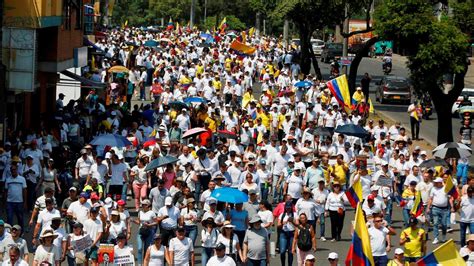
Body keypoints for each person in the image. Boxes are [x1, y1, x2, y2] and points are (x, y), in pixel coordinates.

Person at [427, 177, 452, 244]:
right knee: (435, 223)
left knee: (444, 224)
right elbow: (431, 199)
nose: (434, 183)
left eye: (436, 182)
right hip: (435, 208)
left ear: (440, 183)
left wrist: (452, 207)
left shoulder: (446, 188)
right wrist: (428, 207)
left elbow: (449, 198)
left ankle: (443, 236)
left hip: (444, 209)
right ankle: (436, 238)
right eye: (435, 182)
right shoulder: (433, 189)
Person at [134, 199, 157, 263]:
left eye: (145, 205)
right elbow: (139, 222)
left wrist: (149, 225)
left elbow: (156, 222)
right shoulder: (140, 212)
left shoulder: (152, 213)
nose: (143, 206)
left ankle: (145, 263)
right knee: (139, 248)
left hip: (149, 231)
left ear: (148, 205)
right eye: (143, 204)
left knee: (147, 249)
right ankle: (139, 263)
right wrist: (133, 220)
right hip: (141, 231)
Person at [4, 165, 27, 229]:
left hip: (19, 202)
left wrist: (25, 202)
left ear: (17, 170)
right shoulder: (8, 180)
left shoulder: (22, 179)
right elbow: (5, 191)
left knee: (20, 218)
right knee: (9, 218)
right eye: (12, 170)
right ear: (10, 171)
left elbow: (25, 191)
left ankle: (21, 231)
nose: (13, 171)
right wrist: (5, 202)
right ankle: (9, 232)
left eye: (14, 169)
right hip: (9, 202)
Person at [278, 201, 297, 266]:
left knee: (290, 252)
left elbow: (298, 225)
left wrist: (292, 221)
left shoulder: (295, 214)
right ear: (285, 207)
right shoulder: (282, 215)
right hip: (283, 234)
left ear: (291, 207)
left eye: (289, 207)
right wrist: (283, 223)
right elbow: (278, 225)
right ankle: (283, 264)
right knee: (282, 251)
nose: (288, 209)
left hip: (292, 234)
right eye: (287, 207)